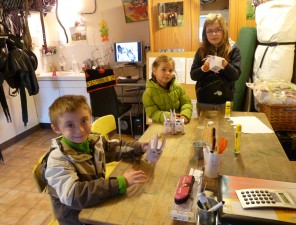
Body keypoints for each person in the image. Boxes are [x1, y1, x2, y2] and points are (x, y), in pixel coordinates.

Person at [45, 95, 148, 225]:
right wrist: (120, 182)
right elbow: (76, 195)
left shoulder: (92, 141)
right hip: (77, 219)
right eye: (70, 125)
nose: (80, 129)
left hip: (96, 203)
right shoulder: (58, 159)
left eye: (84, 121)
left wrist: (141, 147)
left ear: (90, 117)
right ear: (56, 128)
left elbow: (114, 148)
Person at [190, 13, 241, 115]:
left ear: (224, 31)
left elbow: (235, 75)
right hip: (204, 100)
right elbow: (193, 75)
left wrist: (226, 65)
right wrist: (203, 69)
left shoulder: (233, 49)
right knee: (204, 130)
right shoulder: (201, 50)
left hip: (225, 101)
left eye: (218, 30)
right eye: (209, 31)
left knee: (225, 129)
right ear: (205, 33)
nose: (214, 34)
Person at [142, 55, 193, 124]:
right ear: (154, 71)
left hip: (179, 124)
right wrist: (170, 117)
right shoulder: (148, 93)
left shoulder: (178, 87)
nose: (167, 73)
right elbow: (153, 113)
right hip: (160, 126)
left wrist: (185, 115)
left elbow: (186, 103)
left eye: (171, 70)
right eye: (163, 69)